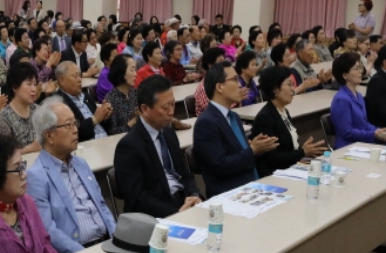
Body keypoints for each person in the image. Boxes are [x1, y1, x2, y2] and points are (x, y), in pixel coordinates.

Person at [27, 98, 116, 253]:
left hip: (107, 244)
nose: (75, 130)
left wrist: (116, 238)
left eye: (75, 123)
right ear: (49, 136)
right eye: (68, 125)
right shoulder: (36, 176)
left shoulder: (81, 164)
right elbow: (48, 231)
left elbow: (102, 205)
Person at [114, 76, 201, 216]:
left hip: (184, 202)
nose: (171, 112)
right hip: (158, 213)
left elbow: (185, 173)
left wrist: (194, 194)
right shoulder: (129, 146)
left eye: (173, 104)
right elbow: (137, 198)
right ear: (145, 109)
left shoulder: (168, 133)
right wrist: (176, 213)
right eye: (165, 107)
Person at [193, 65, 278, 198]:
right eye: (234, 80)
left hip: (251, 185)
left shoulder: (234, 117)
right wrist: (252, 150)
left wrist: (255, 147)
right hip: (230, 193)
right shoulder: (206, 123)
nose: (239, 85)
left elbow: (239, 154)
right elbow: (220, 166)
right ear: (219, 87)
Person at [249, 67, 327, 177]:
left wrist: (302, 151)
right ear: (275, 90)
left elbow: (289, 149)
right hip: (275, 175)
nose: (292, 89)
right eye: (289, 84)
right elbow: (272, 158)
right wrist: (302, 152)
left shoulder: (283, 111)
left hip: (291, 169)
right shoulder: (265, 118)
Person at [329, 53, 386, 149]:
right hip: (348, 147)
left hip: (362, 144)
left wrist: (379, 131)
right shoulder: (341, 100)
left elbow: (364, 124)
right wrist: (373, 134)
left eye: (360, 68)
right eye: (357, 68)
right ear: (345, 75)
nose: (361, 71)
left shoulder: (359, 96)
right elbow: (347, 132)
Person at [0, 61, 40, 152]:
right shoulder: (3, 119)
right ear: (15, 87)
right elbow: (3, 154)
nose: (34, 89)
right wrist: (30, 149)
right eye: (29, 84)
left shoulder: (38, 110)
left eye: (34, 84)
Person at [54, 61, 109, 141]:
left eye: (80, 76)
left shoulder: (86, 97)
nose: (80, 80)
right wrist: (94, 120)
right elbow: (71, 133)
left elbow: (102, 123)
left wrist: (104, 116)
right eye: (75, 76)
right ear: (62, 80)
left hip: (106, 139)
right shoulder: (58, 104)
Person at [103, 53, 140, 135]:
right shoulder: (111, 99)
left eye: (135, 70)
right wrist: (134, 120)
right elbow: (113, 132)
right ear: (121, 72)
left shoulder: (135, 93)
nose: (135, 74)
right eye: (132, 70)